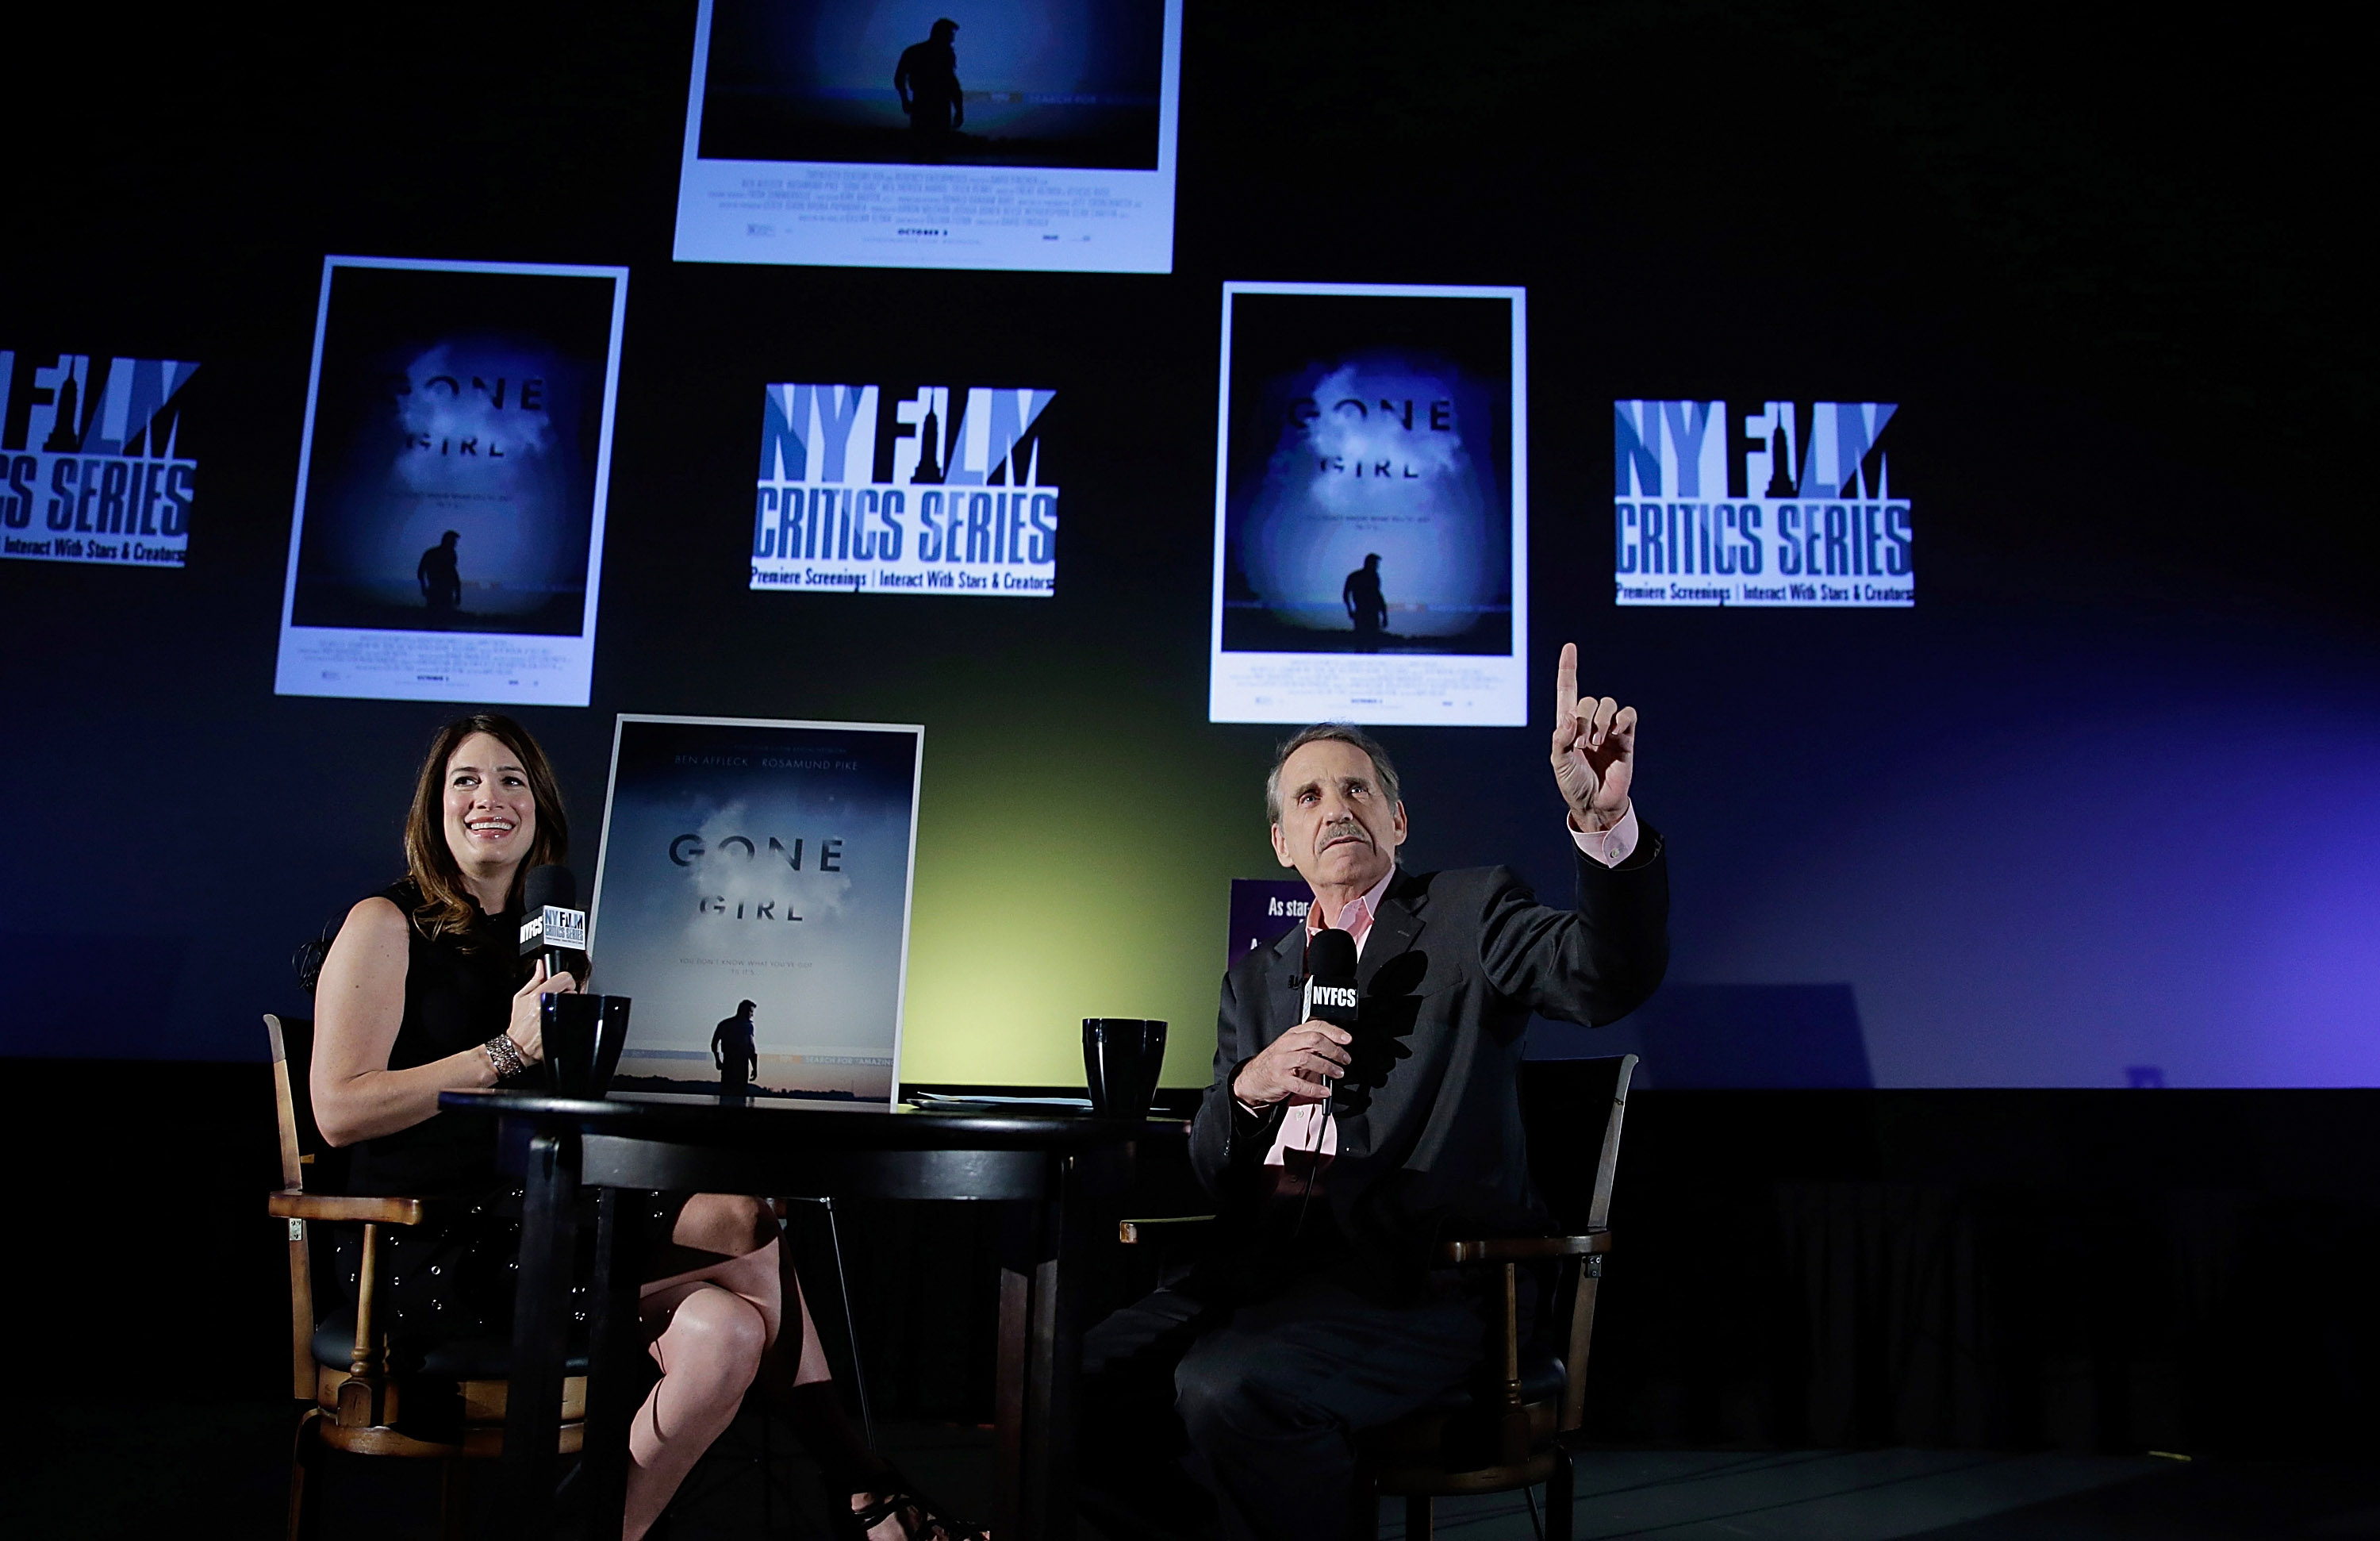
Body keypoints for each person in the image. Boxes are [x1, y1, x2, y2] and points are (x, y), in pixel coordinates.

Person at [311, 713, 976, 1541]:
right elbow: (339, 1110)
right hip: (422, 1241)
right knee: (742, 1221)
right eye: (468, 781)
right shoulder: (384, 922)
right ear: (433, 808)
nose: (492, 798)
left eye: (513, 779)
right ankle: (869, 1496)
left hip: (531, 1208)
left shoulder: (546, 941)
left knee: (727, 1333)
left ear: (540, 807)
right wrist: (505, 1050)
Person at [1079, 644, 1670, 1541]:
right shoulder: (1257, 980)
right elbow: (1208, 1169)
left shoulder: (1472, 915)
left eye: (1357, 790)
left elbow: (1601, 977)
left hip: (1419, 1288)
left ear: (1397, 819)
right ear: (1282, 842)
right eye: (1308, 797)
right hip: (1257, 1276)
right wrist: (1248, 1086)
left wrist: (1607, 824)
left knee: (1228, 1387)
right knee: (1065, 1378)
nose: (1336, 809)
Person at [894, 18, 964, 150]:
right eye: (950, 35)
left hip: (930, 106)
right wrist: (959, 110)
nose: (952, 39)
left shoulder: (916, 52)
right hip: (930, 106)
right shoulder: (942, 55)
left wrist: (905, 100)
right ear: (942, 34)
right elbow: (952, 85)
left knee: (926, 148)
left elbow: (952, 85)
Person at [714, 999, 760, 1099]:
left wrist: (717, 1060)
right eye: (751, 1012)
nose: (752, 1015)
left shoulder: (725, 1024)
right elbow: (751, 1049)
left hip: (733, 1065)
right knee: (737, 1095)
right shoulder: (746, 1026)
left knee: (729, 1095)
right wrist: (755, 1068)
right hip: (737, 1066)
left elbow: (714, 1043)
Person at [1342, 553, 1387, 646]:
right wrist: (1350, 609)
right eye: (1375, 564)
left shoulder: (1374, 577)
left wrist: (1384, 615)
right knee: (1361, 643)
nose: (1377, 567)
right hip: (1362, 612)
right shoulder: (1355, 577)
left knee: (1372, 644)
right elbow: (1346, 594)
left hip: (1372, 613)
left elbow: (1378, 596)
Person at [418, 530, 462, 615]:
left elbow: (453, 574)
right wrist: (423, 587)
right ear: (447, 541)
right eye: (453, 541)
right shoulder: (432, 554)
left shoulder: (450, 554)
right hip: (437, 590)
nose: (455, 544)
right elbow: (421, 572)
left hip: (445, 591)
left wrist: (458, 593)